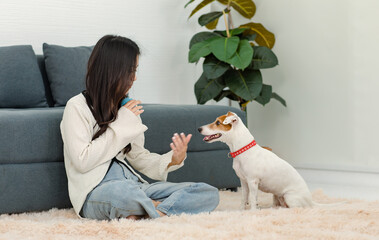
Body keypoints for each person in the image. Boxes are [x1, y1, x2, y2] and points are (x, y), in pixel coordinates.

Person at [60, 35, 219, 220]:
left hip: (135, 186)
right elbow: (82, 161)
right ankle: (149, 208)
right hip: (96, 193)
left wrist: (173, 159)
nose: (134, 78)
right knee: (122, 193)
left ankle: (150, 211)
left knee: (207, 192)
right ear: (112, 70)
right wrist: (121, 123)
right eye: (129, 71)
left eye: (135, 70)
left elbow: (138, 157)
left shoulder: (126, 108)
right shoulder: (76, 107)